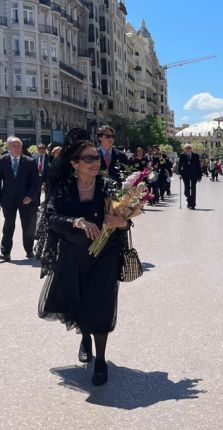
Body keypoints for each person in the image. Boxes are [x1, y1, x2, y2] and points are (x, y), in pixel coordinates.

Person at [38, 128, 130, 386]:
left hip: (106, 255)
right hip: (73, 255)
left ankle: (100, 361)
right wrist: (77, 221)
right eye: (88, 158)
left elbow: (126, 221)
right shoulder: (64, 187)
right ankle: (85, 338)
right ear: (74, 163)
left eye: (96, 158)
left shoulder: (108, 185)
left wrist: (121, 220)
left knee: (100, 305)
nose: (95, 162)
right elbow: (51, 218)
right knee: (79, 302)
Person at [0, 136, 39, 261]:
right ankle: (5, 252)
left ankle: (29, 250)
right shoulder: (2, 161)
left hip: (26, 200)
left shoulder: (30, 161)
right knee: (8, 226)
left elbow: (35, 181)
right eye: (14, 145)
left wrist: (30, 196)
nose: (17, 148)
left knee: (27, 226)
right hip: (8, 200)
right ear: (8, 147)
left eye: (19, 145)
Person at [178, 144, 202, 209]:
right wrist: (179, 173)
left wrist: (200, 176)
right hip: (185, 175)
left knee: (193, 189)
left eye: (189, 148)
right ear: (185, 150)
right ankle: (189, 200)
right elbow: (179, 166)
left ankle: (193, 204)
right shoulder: (182, 156)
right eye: (186, 149)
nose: (188, 150)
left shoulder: (196, 156)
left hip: (194, 174)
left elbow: (198, 166)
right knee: (186, 190)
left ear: (191, 149)